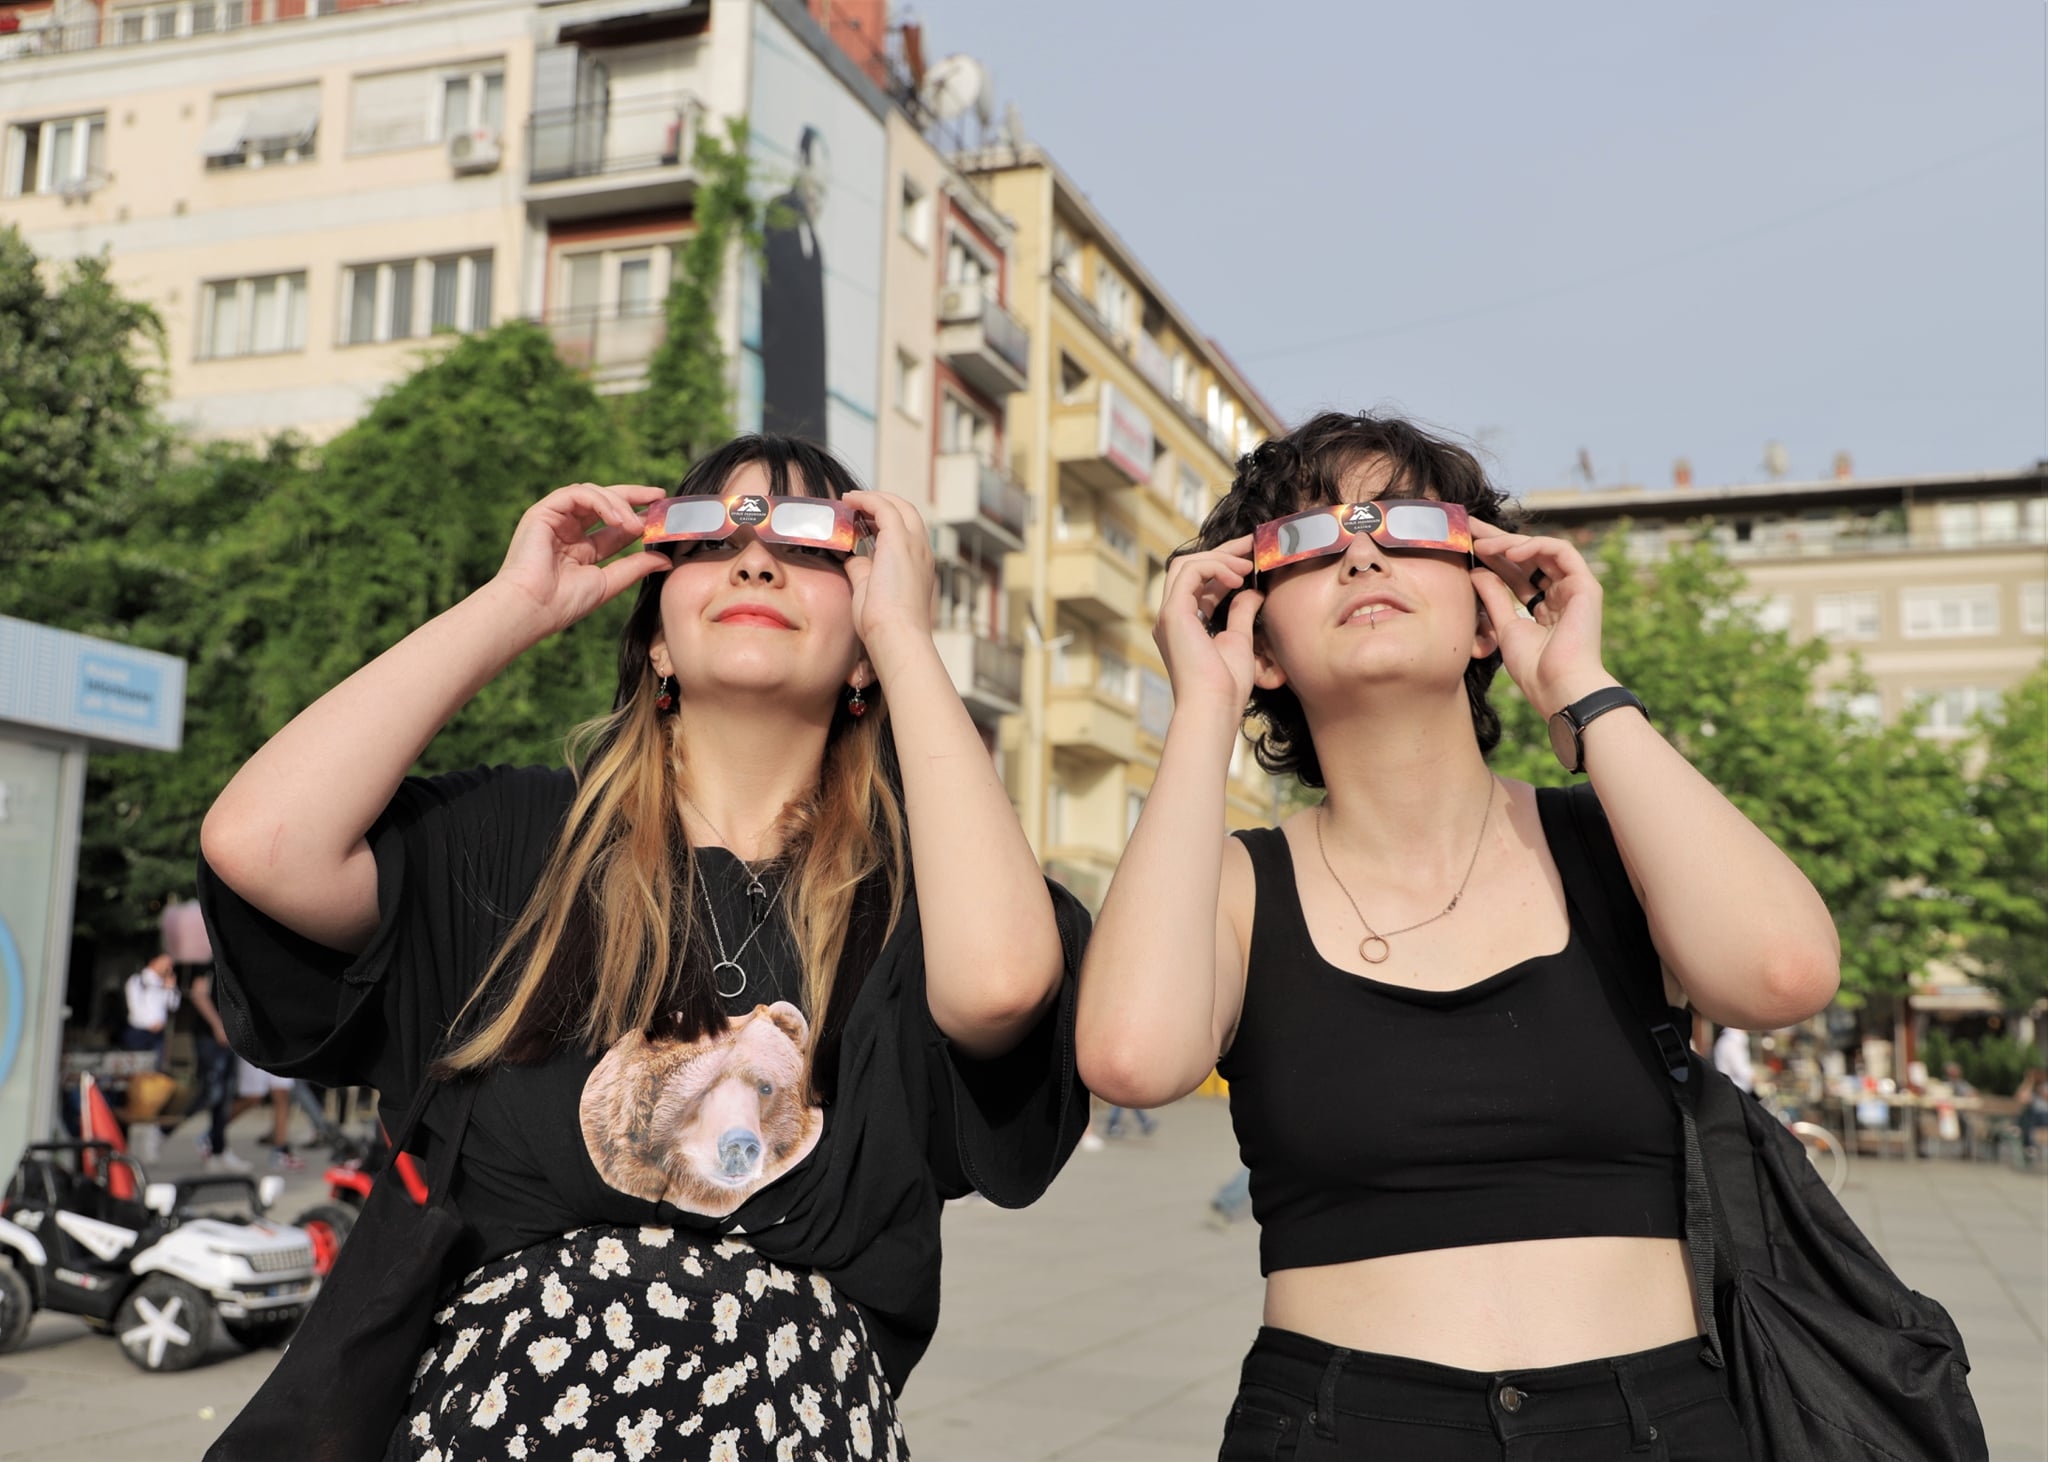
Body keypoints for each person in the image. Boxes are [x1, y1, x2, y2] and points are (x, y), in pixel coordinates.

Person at [197, 435, 1089, 1457]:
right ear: (656, 640)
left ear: (861, 649)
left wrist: (908, 645)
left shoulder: (921, 889)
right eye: (711, 537)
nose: (756, 560)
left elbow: (1004, 987)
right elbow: (260, 845)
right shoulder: (522, 837)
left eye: (810, 543)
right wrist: (513, 608)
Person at [1077, 412, 1841, 1460]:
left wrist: (1575, 684)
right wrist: (1198, 709)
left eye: (1405, 523)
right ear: (1258, 640)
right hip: (1339, 1424)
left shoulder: (1615, 838)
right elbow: (1129, 1055)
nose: (1358, 549)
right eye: (1306, 538)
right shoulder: (1235, 884)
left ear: (1485, 613)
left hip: (1655, 1422)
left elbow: (1784, 972)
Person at [183, 966, 253, 1172]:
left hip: (229, 1037)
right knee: (211, 1094)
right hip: (210, 1037)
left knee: (224, 1098)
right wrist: (217, 1025)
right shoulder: (208, 959)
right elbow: (198, 993)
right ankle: (162, 1130)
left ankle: (218, 1150)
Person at [119, 953, 179, 1068]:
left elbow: (173, 1005)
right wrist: (150, 1024)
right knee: (135, 1067)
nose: (168, 967)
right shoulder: (138, 980)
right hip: (139, 1032)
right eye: (165, 963)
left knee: (156, 1068)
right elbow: (134, 1007)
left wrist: (170, 988)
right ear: (154, 961)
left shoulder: (166, 982)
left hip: (158, 1034)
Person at [1713, 1023, 1755, 1094]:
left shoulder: (1731, 1039)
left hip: (1736, 1090)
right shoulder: (1732, 1042)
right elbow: (1742, 1071)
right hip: (1737, 1091)